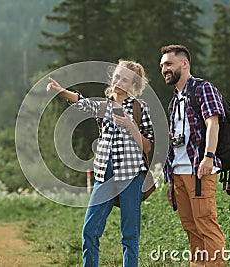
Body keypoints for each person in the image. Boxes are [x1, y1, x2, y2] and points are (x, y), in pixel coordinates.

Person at [46, 60, 153, 267]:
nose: (119, 82)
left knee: (130, 234)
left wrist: (131, 125)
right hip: (104, 174)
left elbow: (146, 147)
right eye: (117, 77)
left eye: (125, 79)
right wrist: (61, 91)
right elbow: (82, 102)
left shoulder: (141, 108)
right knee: (89, 230)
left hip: (130, 177)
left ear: (132, 85)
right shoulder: (104, 106)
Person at [159, 45, 226, 267]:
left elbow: (213, 123)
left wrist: (209, 156)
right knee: (191, 229)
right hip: (179, 174)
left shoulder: (202, 89)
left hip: (199, 170)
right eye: (162, 66)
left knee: (206, 226)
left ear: (184, 63)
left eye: (168, 64)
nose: (164, 69)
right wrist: (171, 180)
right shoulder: (174, 100)